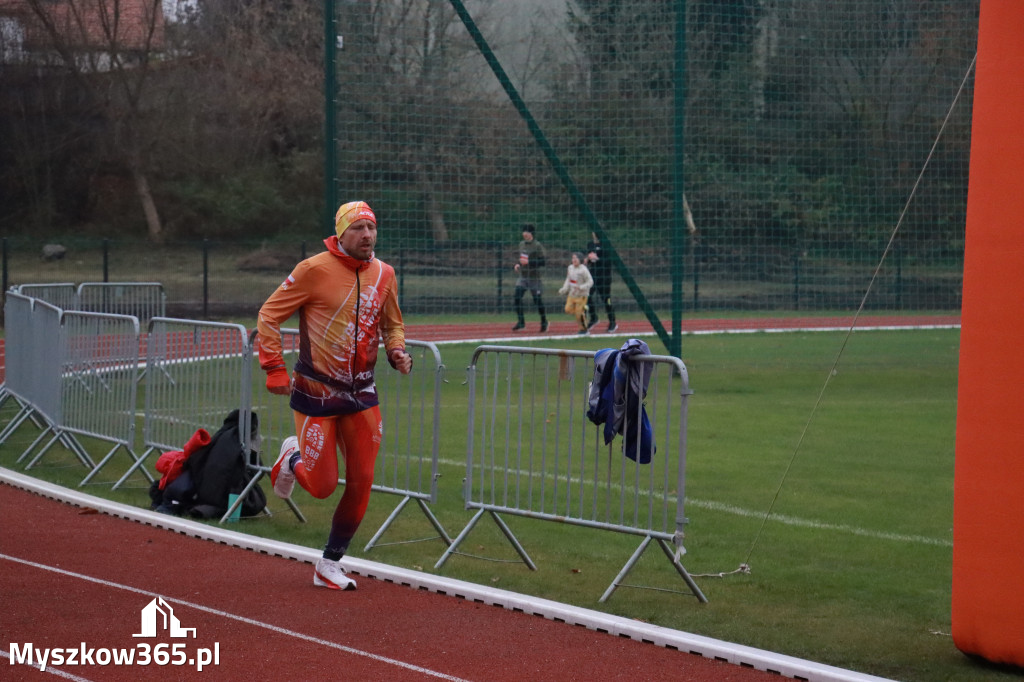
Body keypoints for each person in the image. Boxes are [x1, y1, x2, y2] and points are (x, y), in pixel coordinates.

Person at [256, 200, 413, 591]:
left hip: (362, 394)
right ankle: (292, 457)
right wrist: (273, 366)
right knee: (324, 485)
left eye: (371, 228)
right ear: (340, 233)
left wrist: (396, 351)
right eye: (358, 228)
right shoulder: (313, 270)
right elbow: (269, 314)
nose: (367, 235)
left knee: (362, 480)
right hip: (316, 392)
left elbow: (393, 324)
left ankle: (329, 563)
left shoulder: (384, 274)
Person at [511, 223, 549, 333]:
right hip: (523, 276)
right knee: (517, 297)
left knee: (537, 300)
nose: (524, 234)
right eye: (523, 232)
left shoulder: (537, 245)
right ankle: (521, 322)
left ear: (531, 233)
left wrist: (529, 262)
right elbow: (522, 258)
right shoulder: (521, 244)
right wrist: (518, 264)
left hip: (534, 278)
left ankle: (544, 321)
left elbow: (543, 262)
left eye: (526, 232)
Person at [584, 231, 617, 333]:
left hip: (604, 276)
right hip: (593, 275)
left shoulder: (606, 244)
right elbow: (590, 259)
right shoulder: (590, 244)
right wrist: (588, 260)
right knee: (587, 296)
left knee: (606, 299)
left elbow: (609, 261)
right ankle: (594, 318)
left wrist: (597, 258)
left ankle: (612, 322)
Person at [558, 252, 594, 334]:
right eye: (573, 258)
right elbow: (568, 279)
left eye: (576, 258)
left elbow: (590, 282)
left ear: (580, 259)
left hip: (582, 295)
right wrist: (564, 289)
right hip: (572, 294)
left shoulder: (584, 270)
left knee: (578, 315)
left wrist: (581, 287)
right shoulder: (570, 268)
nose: (574, 260)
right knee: (567, 309)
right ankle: (583, 311)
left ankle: (584, 329)